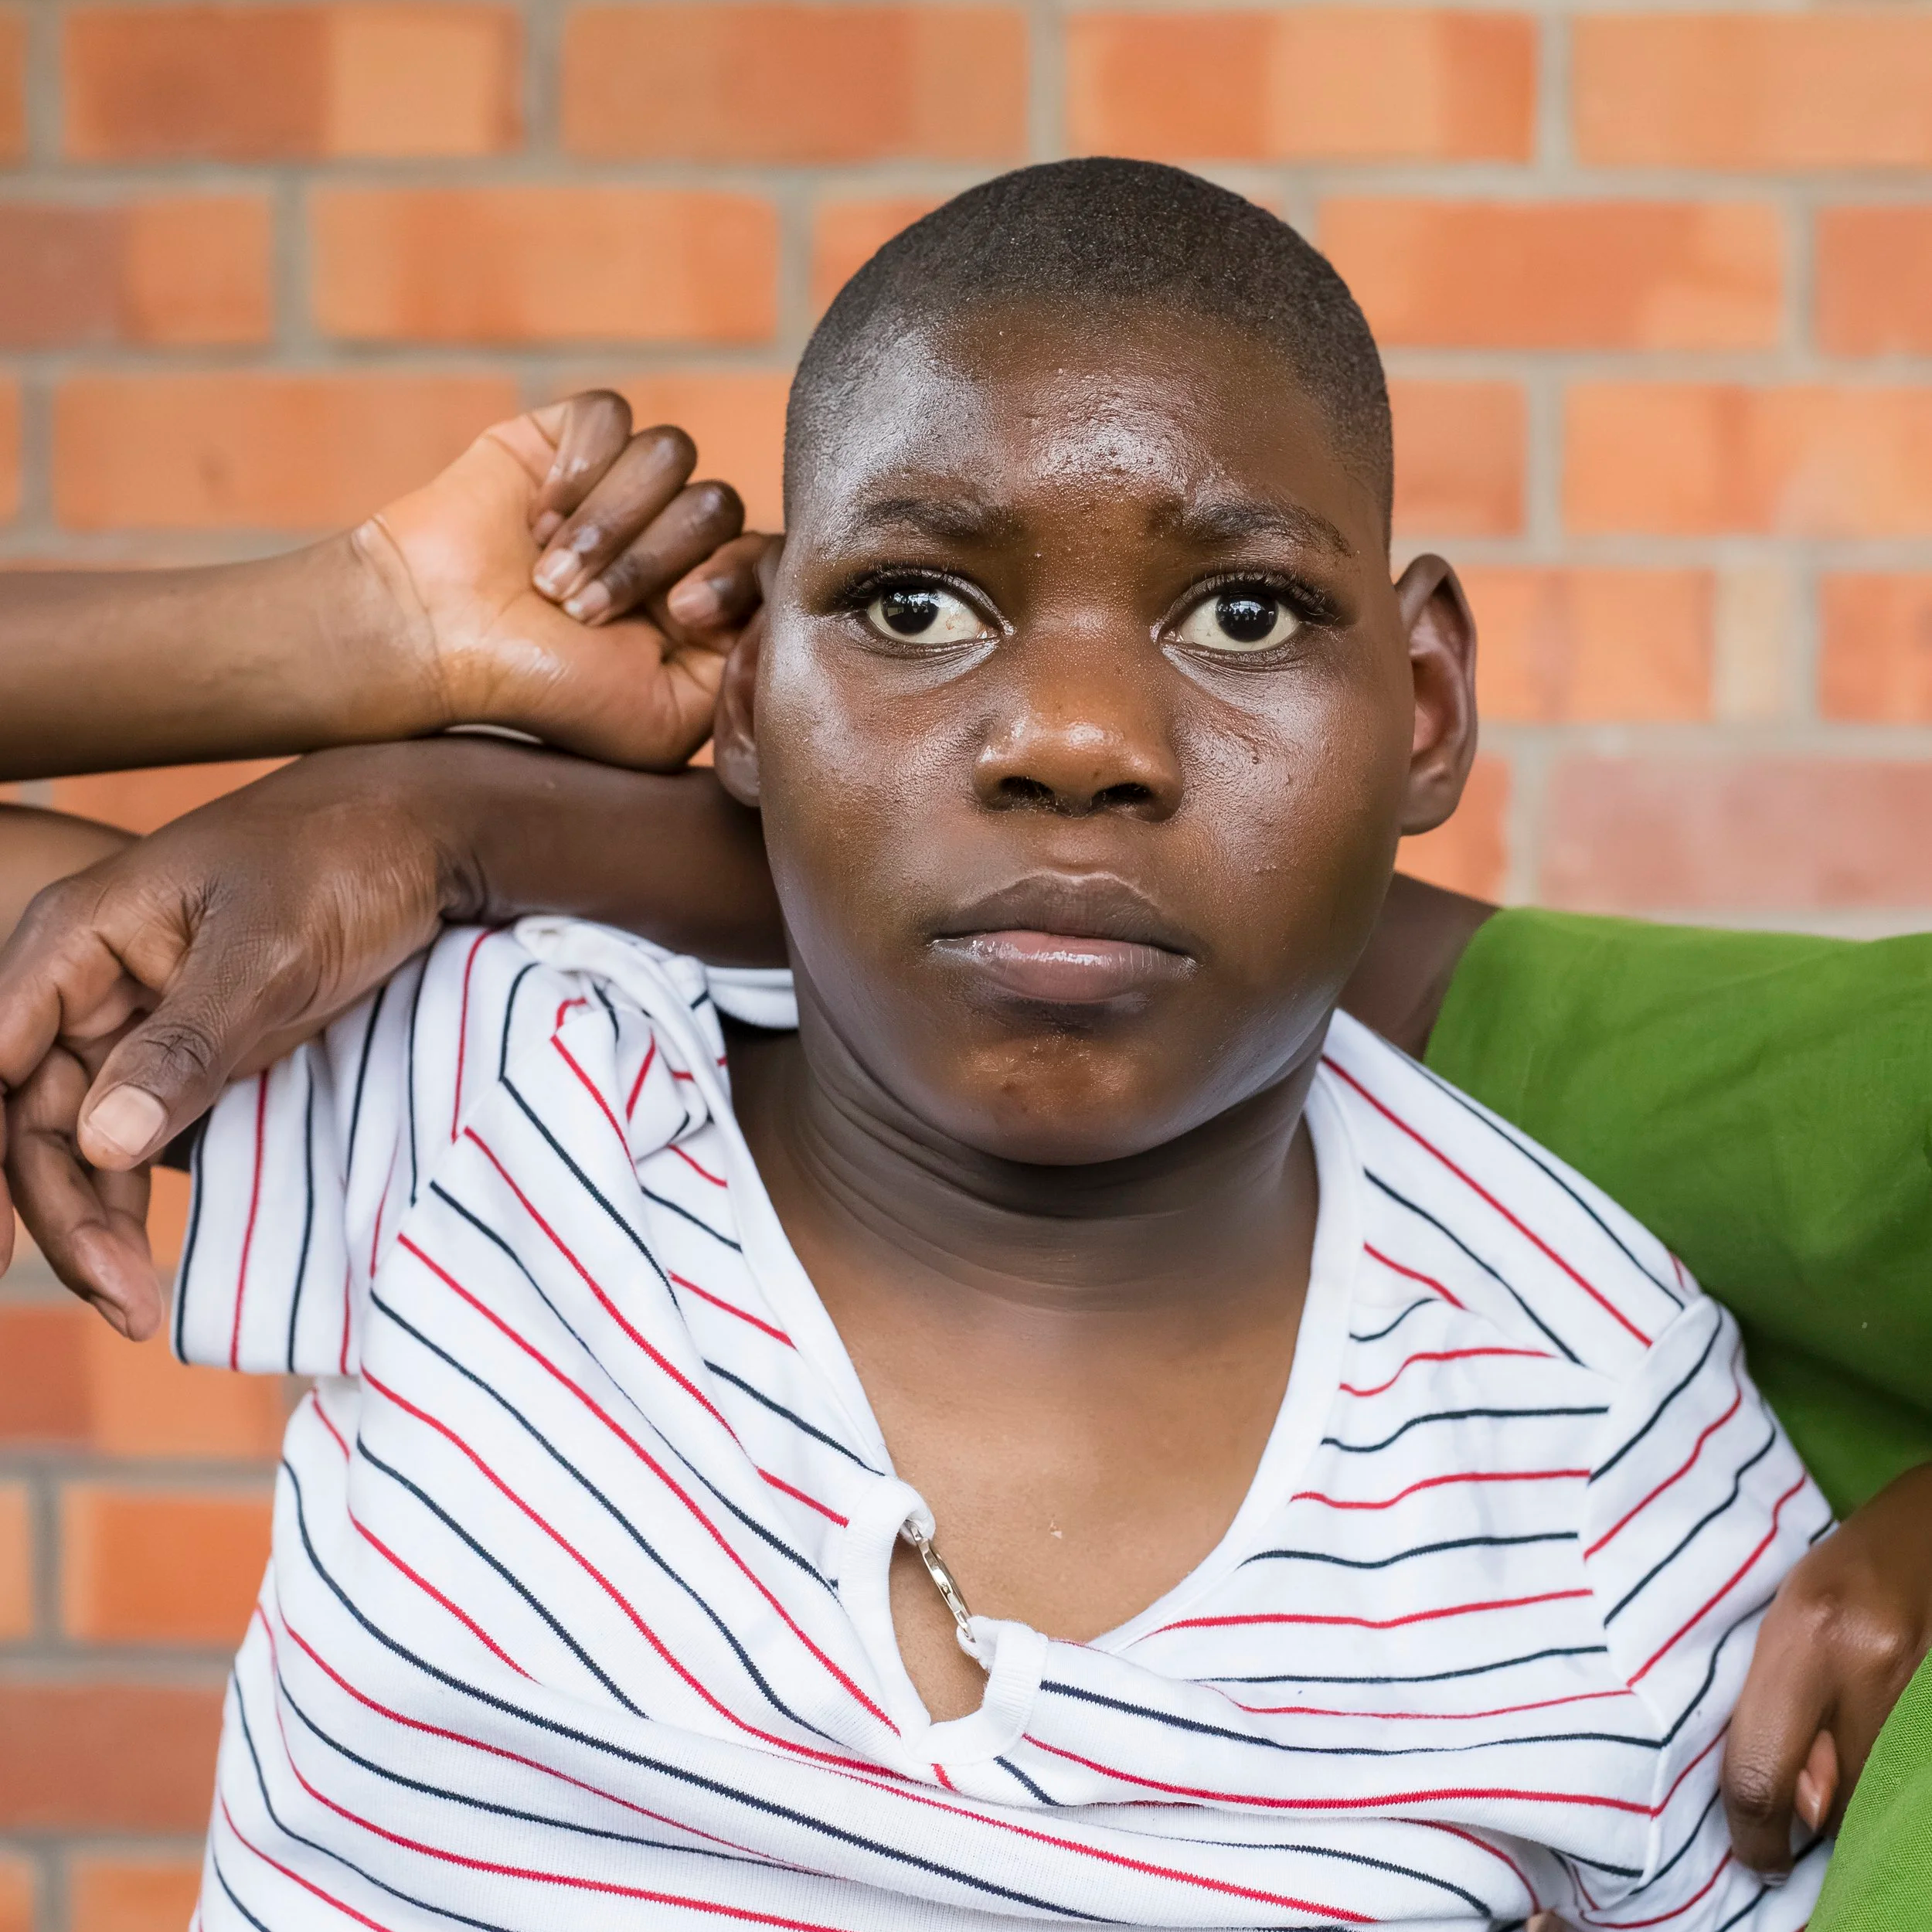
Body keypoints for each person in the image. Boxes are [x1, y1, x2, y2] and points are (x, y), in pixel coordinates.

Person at [0, 168, 1923, 1925]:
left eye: (1242, 612)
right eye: (912, 606)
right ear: (749, 685)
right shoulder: (518, 1100)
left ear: (1418, 704)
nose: (1073, 736)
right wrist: (363, 632)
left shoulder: (1593, 1461)